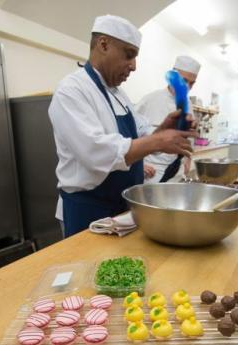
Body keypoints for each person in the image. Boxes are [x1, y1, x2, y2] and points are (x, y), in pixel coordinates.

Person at [48, 15, 193, 238]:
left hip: (122, 205)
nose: (134, 66)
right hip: (88, 208)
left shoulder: (119, 94)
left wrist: (160, 131)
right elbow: (95, 152)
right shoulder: (72, 90)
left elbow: (139, 133)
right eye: (129, 55)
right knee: (87, 271)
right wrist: (156, 142)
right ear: (103, 44)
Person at [135, 55, 201, 183]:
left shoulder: (188, 104)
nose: (187, 87)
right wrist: (137, 165)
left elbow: (188, 137)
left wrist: (188, 158)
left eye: (191, 83)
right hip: (151, 171)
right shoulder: (150, 100)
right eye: (184, 80)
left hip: (176, 170)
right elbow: (128, 134)